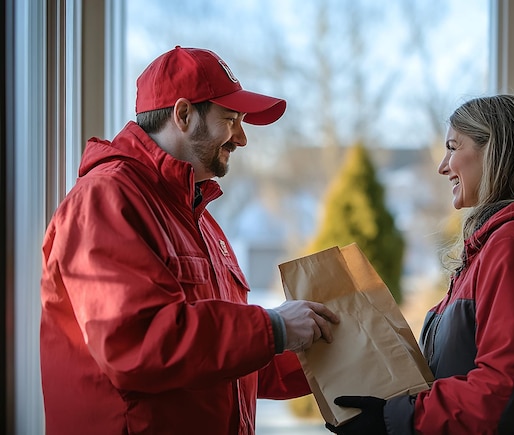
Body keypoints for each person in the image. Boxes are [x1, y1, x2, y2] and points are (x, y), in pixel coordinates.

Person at [40, 46, 340, 435]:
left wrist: (323, 344)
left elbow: (224, 364)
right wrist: (274, 328)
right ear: (182, 115)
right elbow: (137, 344)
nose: (242, 138)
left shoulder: (200, 220)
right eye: (230, 119)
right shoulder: (105, 200)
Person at [326, 94, 514, 434]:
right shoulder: (499, 246)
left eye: (452, 147)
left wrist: (394, 418)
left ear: (495, 151)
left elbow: (508, 387)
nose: (442, 166)